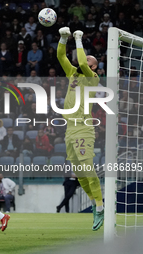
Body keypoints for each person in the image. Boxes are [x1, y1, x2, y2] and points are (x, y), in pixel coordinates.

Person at [57, 27, 104, 230]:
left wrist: (78, 40)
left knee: (87, 168)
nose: (84, 62)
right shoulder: (72, 74)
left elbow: (83, 61)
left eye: (90, 62)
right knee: (78, 173)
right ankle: (94, 204)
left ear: (94, 67)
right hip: (70, 129)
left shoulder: (93, 79)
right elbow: (60, 56)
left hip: (84, 128)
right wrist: (62, 38)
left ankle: (101, 207)